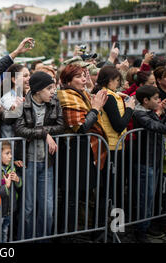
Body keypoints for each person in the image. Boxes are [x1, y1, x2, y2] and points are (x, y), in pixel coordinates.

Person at [131, 85, 166, 243]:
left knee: (150, 199)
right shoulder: (139, 114)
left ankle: (146, 226)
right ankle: (141, 231)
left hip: (153, 161)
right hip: (145, 162)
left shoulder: (147, 112)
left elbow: (160, 122)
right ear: (145, 100)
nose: (159, 101)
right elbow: (163, 128)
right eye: (156, 99)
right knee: (145, 199)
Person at [56, 64, 108, 234]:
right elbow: (80, 127)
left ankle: (73, 231)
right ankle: (66, 234)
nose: (84, 79)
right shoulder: (65, 96)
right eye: (79, 76)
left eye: (84, 76)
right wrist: (95, 108)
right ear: (67, 80)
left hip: (82, 151)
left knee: (77, 196)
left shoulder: (81, 94)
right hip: (72, 152)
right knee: (70, 197)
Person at [15, 71, 64, 239]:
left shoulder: (54, 103)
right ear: (37, 90)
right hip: (28, 162)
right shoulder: (23, 104)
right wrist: (44, 134)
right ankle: (25, 239)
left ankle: (43, 238)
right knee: (27, 207)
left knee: (48, 208)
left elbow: (60, 126)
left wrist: (44, 132)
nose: (53, 91)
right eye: (49, 88)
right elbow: (19, 129)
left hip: (47, 162)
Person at [92, 66, 135, 218]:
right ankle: (108, 227)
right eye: (117, 81)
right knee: (111, 190)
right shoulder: (108, 97)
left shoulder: (107, 94)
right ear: (109, 81)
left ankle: (107, 227)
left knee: (110, 189)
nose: (118, 84)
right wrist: (130, 109)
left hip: (112, 145)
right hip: (111, 147)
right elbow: (118, 125)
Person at [0, 141, 22, 243]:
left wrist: (17, 180)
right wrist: (6, 186)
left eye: (11, 153)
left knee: (4, 233)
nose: (11, 156)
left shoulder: (12, 168)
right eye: (7, 153)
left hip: (9, 210)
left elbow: (19, 186)